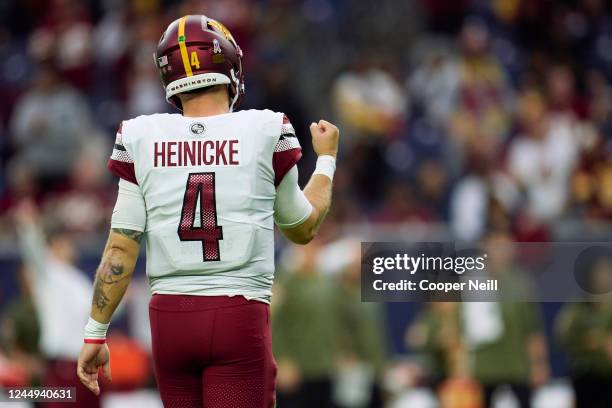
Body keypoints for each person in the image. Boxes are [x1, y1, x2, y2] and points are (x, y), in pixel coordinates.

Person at [75, 15, 339, 408]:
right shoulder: (266, 129)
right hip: (237, 312)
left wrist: (95, 334)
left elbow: (121, 247)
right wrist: (327, 161)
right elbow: (301, 227)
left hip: (169, 320)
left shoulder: (141, 135)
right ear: (230, 66)